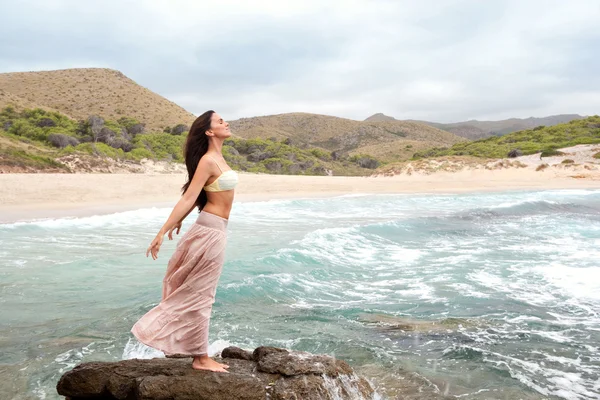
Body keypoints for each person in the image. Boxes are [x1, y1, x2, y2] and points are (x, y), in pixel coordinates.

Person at [131, 110, 238, 373]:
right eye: (220, 121)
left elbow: (200, 195)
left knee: (201, 293)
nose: (226, 122)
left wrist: (180, 220)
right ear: (210, 131)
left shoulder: (218, 158)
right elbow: (189, 197)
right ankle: (200, 358)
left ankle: (194, 350)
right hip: (209, 232)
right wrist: (162, 231)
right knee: (202, 295)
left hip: (215, 230)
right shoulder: (208, 161)